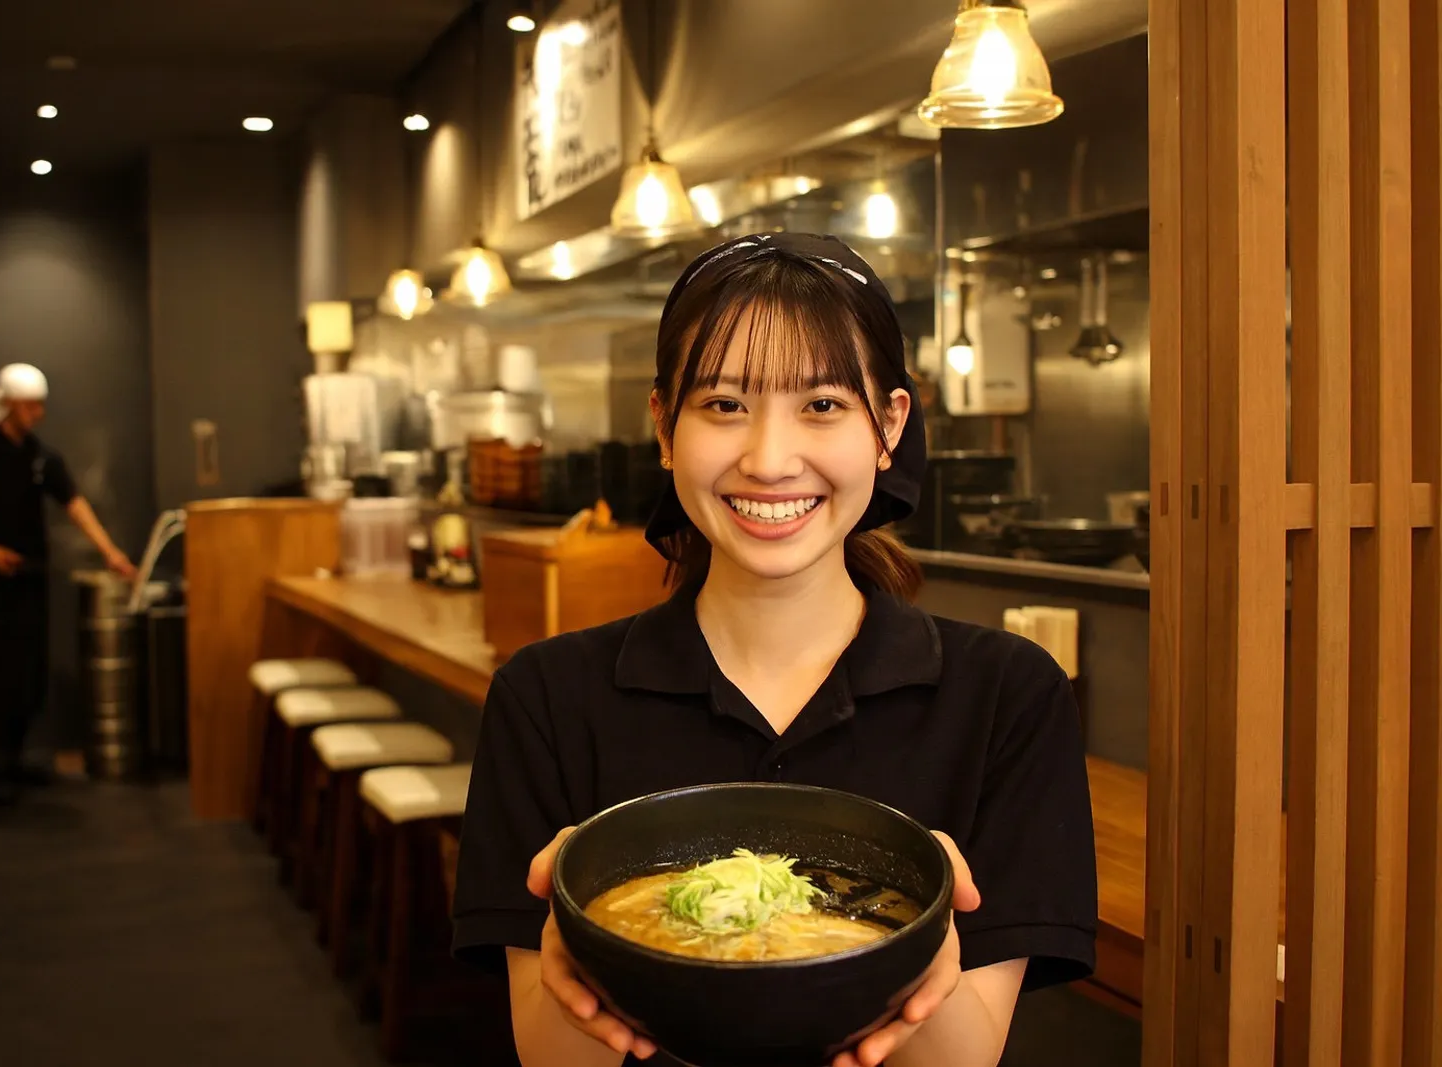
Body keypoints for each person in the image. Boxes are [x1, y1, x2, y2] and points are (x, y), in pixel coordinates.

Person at [452, 233, 1098, 1067]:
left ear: (889, 425)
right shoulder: (546, 698)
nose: (768, 459)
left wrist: (918, 945)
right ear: (663, 424)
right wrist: (578, 932)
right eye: (723, 404)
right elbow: (553, 1060)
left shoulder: (1008, 696)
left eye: (823, 405)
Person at [0, 363, 138, 804]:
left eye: (40, 404)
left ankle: (15, 756)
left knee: (26, 667)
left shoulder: (42, 457)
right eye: (30, 404)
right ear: (8, 404)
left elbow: (74, 503)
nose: (38, 413)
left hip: (28, 576)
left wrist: (111, 552)